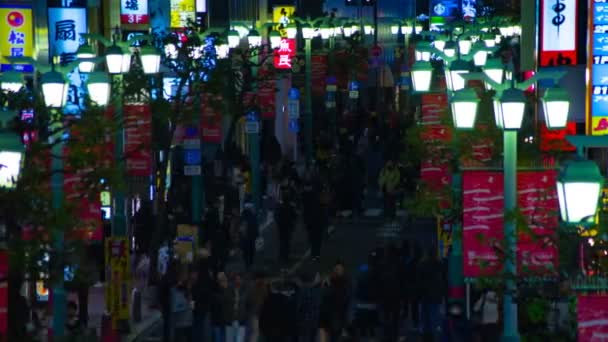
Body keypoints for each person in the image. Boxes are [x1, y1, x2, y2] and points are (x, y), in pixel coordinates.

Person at [319, 261, 352, 342]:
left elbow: (344, 302)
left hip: (336, 319)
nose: (338, 271)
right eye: (336, 269)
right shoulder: (329, 282)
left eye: (340, 269)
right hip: (327, 317)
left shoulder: (345, 284)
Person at [296, 271, 322, 342]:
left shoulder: (301, 291)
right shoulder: (317, 291)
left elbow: (298, 306)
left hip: (304, 321)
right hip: (314, 320)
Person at [275, 177, 297, 264]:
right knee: (287, 241)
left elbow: (276, 216)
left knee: (282, 241)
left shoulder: (280, 207)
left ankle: (282, 255)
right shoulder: (291, 207)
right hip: (288, 226)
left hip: (281, 226)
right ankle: (285, 256)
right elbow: (294, 216)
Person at [246, 271, 269, 342]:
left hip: (257, 312)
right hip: (256, 312)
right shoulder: (260, 287)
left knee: (254, 331)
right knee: (255, 331)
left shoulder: (257, 287)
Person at [172, 270, 193, 342]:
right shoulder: (189, 294)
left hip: (179, 323)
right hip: (188, 322)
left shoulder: (176, 292)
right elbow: (192, 307)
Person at [240, 202, 259, 269]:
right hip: (251, 237)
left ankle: (247, 264)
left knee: (245, 251)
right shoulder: (252, 217)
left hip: (244, 237)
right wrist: (257, 235)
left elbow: (241, 228)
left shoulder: (242, 217)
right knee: (251, 250)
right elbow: (255, 227)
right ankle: (250, 263)